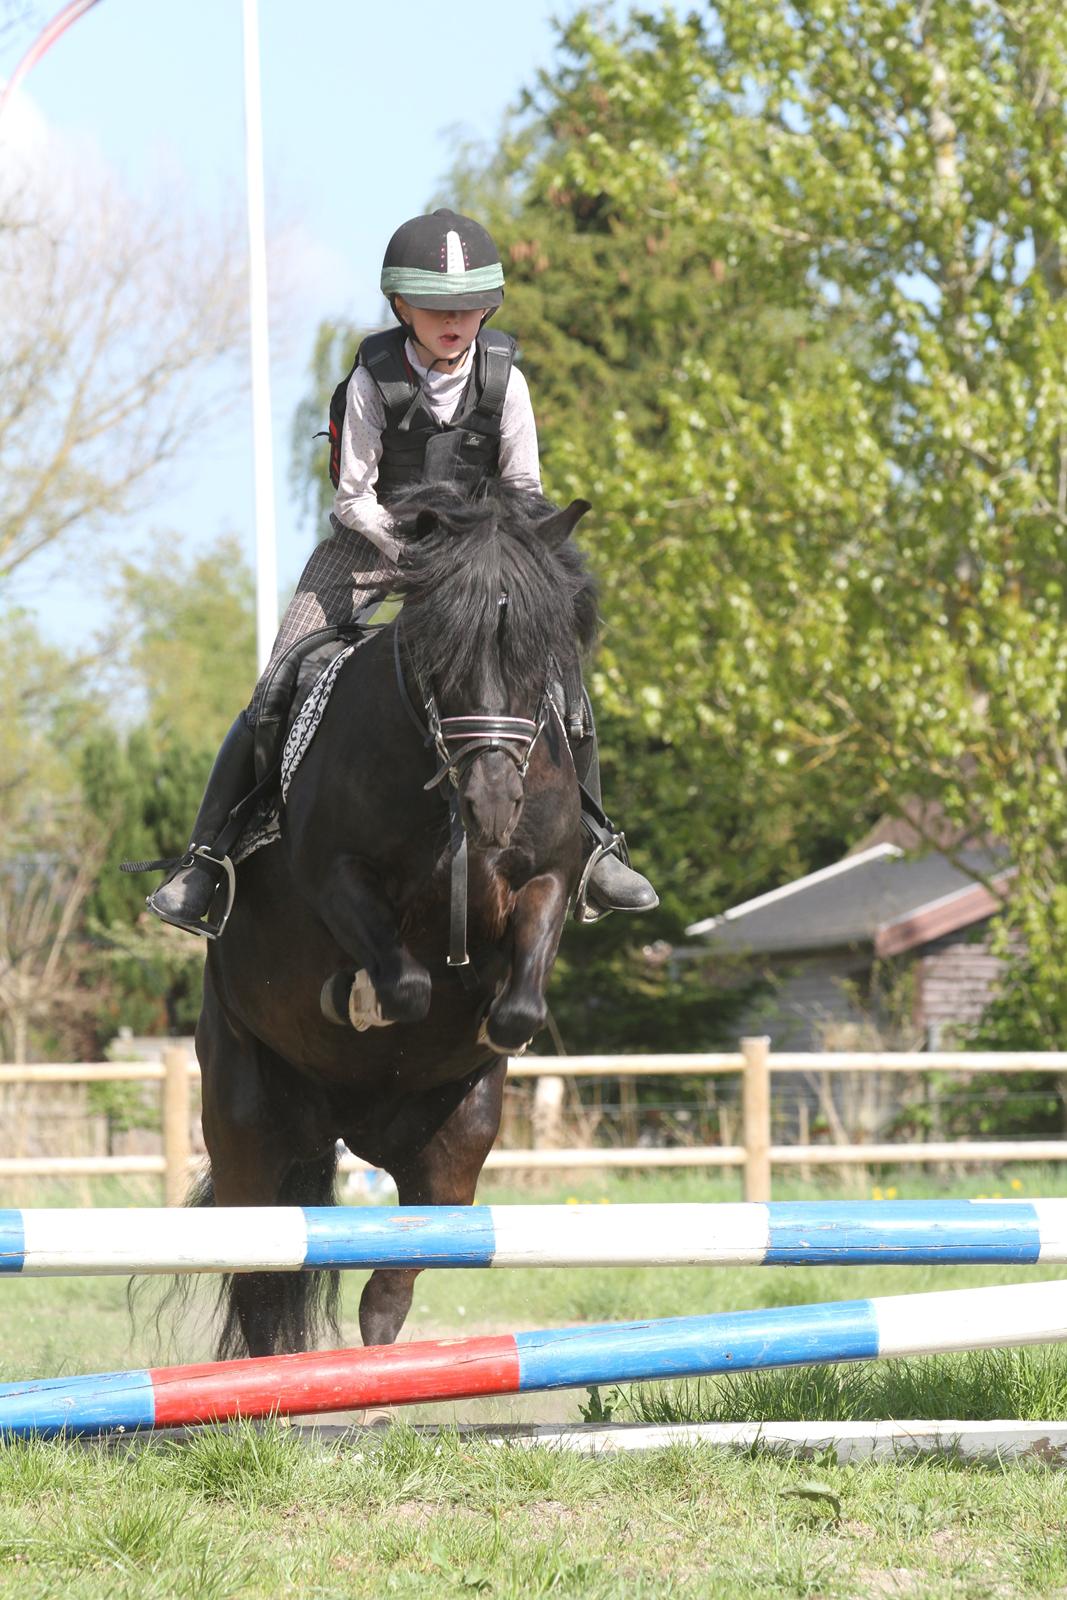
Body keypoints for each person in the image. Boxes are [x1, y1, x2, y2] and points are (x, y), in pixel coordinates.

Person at [148, 208, 657, 938]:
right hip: (373, 547)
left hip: (474, 560)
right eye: (436, 308)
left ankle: (601, 848)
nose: (455, 321)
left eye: (469, 308)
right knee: (276, 683)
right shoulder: (370, 381)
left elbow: (523, 487)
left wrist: (493, 557)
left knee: (562, 678)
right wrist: (416, 556)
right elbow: (353, 499)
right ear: (400, 307)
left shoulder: (505, 382)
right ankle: (208, 860)